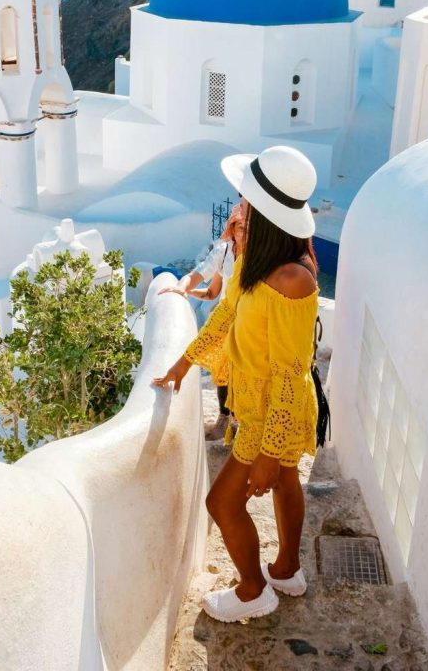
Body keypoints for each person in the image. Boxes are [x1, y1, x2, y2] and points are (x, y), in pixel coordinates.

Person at [153, 145, 319, 623]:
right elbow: (226, 313)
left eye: (245, 202)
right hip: (257, 403)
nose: (239, 209)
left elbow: (291, 370)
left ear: (266, 214)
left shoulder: (291, 280)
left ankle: (252, 591)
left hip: (275, 411)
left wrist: (267, 450)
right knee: (287, 482)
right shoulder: (257, 261)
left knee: (221, 502)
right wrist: (185, 364)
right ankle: (287, 570)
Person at [159, 203, 246, 440]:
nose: (242, 231)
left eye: (247, 227)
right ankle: (224, 418)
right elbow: (208, 287)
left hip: (248, 322)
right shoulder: (225, 252)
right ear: (232, 227)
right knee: (223, 371)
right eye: (238, 226)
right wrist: (183, 288)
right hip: (226, 321)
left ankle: (240, 422)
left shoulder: (258, 256)